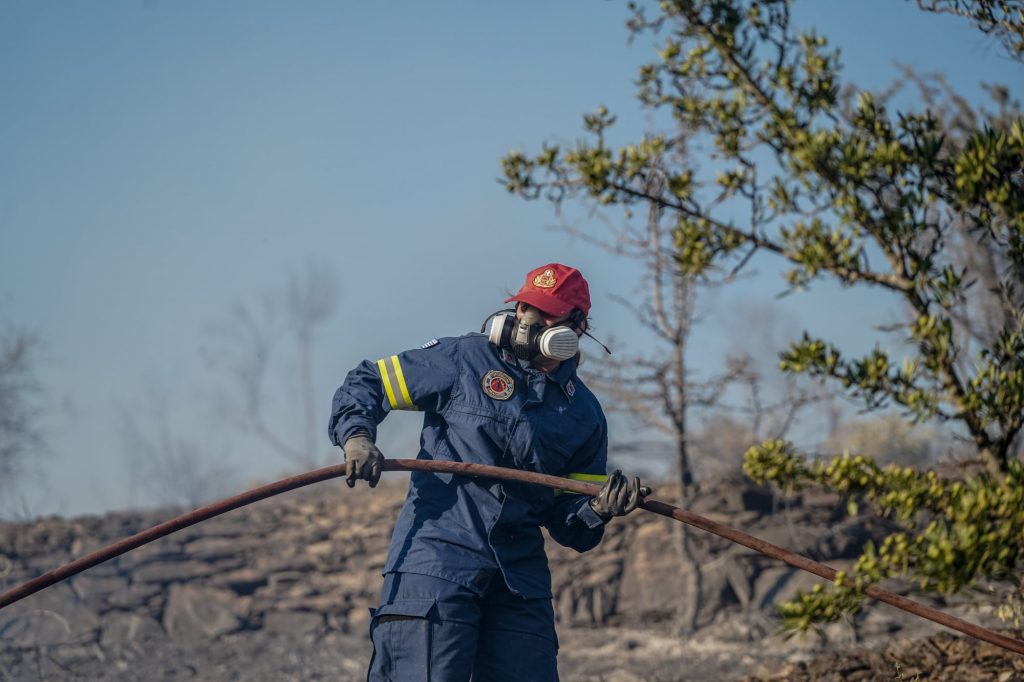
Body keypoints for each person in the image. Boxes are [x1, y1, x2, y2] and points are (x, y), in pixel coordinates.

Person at [328, 263, 648, 681]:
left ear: (577, 326)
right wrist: (357, 436)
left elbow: (571, 527)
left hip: (519, 583)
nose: (527, 320)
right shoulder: (465, 358)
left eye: (544, 312)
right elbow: (369, 382)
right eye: (524, 306)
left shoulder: (583, 414)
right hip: (437, 563)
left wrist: (600, 510)